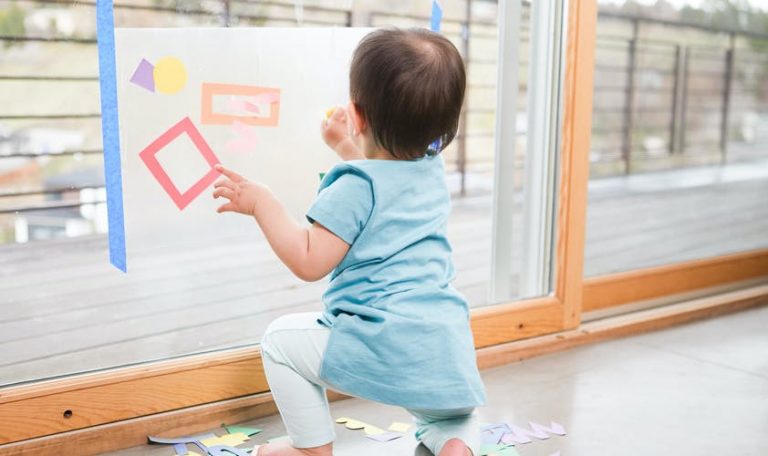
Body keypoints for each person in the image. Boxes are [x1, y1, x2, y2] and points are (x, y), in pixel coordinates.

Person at [212, 27, 486, 456]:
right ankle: (454, 443)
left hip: (380, 341)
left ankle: (310, 448)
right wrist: (345, 146)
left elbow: (308, 260)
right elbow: (389, 187)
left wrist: (262, 203)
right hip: (445, 346)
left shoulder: (354, 186)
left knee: (278, 341)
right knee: (451, 419)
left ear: (357, 115)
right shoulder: (432, 175)